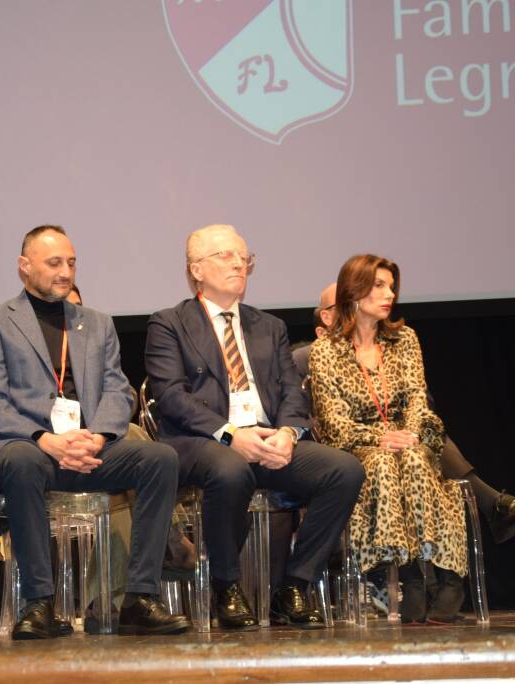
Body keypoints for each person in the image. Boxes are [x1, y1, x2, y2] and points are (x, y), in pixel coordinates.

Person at [0, 224, 189, 639]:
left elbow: (116, 389)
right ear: (24, 266)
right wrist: (45, 439)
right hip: (31, 448)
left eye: (71, 263)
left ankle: (139, 598)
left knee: (159, 458)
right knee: (18, 460)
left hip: (90, 447)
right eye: (54, 262)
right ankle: (39, 603)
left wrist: (100, 436)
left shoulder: (97, 323)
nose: (65, 271)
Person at [144, 224, 364, 631]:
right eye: (225, 256)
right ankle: (225, 585)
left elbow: (292, 394)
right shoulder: (169, 323)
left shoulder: (270, 327)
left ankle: (295, 584)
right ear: (196, 269)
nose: (238, 264)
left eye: (244, 257)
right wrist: (230, 434)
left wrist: (288, 433)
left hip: (266, 439)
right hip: (201, 441)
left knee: (344, 470)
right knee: (230, 469)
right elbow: (172, 397)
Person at [309, 255, 469, 623]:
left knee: (413, 458)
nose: (389, 294)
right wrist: (383, 437)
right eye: (379, 285)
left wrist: (409, 434)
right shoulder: (325, 351)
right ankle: (416, 576)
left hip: (410, 437)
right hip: (361, 445)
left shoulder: (404, 339)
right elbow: (334, 424)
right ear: (353, 291)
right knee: (384, 461)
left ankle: (440, 576)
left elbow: (417, 395)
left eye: (391, 286)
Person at [297, 283, 515, 547]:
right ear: (326, 318)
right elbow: (314, 418)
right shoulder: (310, 355)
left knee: (424, 437)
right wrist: (380, 434)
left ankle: (436, 567)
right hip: (349, 445)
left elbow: (423, 402)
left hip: (401, 438)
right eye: (346, 303)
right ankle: (490, 503)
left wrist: (406, 428)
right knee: (410, 449)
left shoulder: (390, 348)